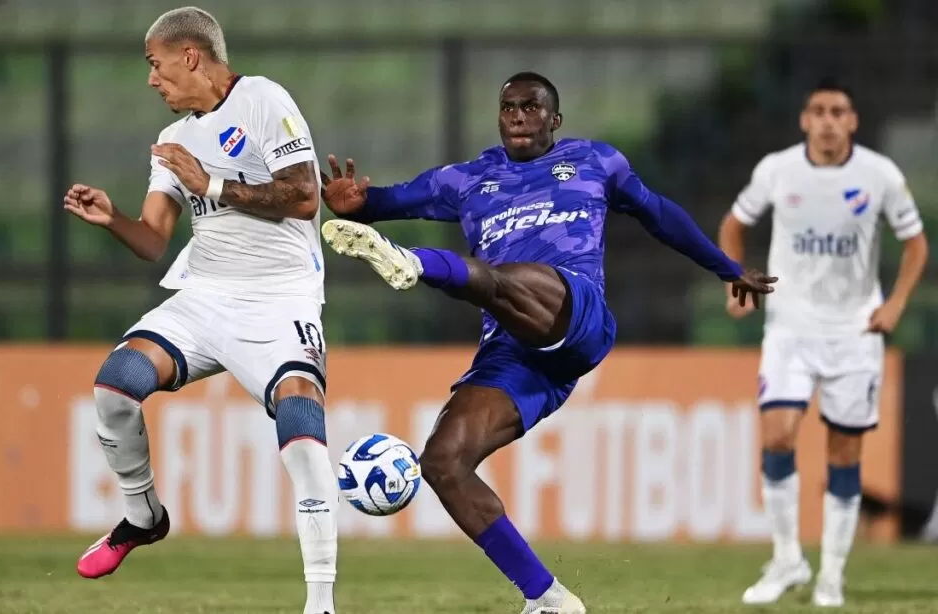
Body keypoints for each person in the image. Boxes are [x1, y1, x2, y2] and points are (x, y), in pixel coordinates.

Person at [319, 71, 776, 614]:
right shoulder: (467, 179)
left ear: (554, 119)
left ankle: (415, 264)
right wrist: (354, 205)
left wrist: (725, 267)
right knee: (443, 463)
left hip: (575, 310)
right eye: (508, 107)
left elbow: (659, 215)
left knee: (499, 275)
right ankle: (549, 599)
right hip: (513, 351)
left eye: (531, 107)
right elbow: (386, 200)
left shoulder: (597, 162)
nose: (517, 115)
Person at [64, 8, 338, 613]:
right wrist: (112, 219)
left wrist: (211, 184)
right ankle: (142, 516)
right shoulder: (175, 144)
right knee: (115, 387)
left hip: (279, 299)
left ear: (191, 56)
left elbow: (303, 196)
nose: (151, 80)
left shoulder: (264, 100)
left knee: (302, 428)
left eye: (155, 65)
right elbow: (155, 240)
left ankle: (320, 602)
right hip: (204, 296)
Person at [719, 78, 928, 608]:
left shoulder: (879, 175)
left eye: (838, 111)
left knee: (844, 453)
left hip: (855, 333)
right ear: (805, 121)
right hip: (790, 328)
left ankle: (831, 574)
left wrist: (896, 303)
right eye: (818, 110)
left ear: (852, 121)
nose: (829, 120)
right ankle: (788, 558)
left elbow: (916, 245)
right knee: (779, 436)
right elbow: (733, 224)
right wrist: (736, 278)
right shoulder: (777, 170)